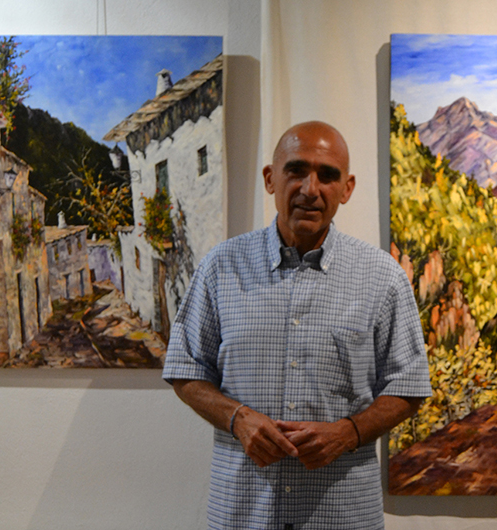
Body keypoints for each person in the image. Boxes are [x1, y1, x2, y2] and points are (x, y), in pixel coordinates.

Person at [163, 121, 431, 529]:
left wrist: (349, 432)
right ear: (271, 179)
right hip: (243, 512)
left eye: (328, 175)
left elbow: (408, 387)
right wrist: (238, 418)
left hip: (341, 514)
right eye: (296, 170)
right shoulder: (222, 266)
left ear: (347, 188)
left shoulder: (382, 276)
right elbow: (186, 370)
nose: (311, 188)